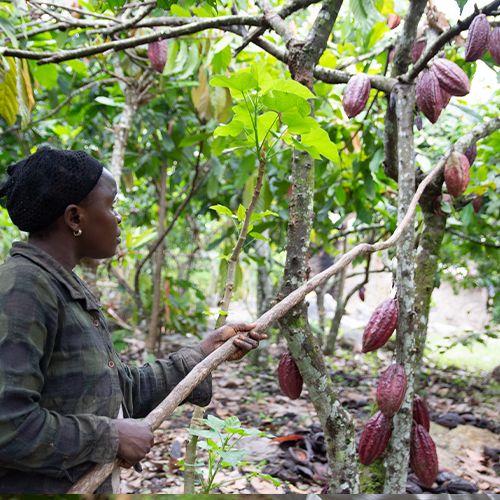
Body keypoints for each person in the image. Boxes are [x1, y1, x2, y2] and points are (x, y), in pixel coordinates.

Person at [0, 148, 265, 494]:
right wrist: (110, 436)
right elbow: (9, 425)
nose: (118, 217)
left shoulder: (63, 286)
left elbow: (116, 391)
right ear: (75, 219)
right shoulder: (25, 287)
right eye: (111, 206)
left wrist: (203, 353)